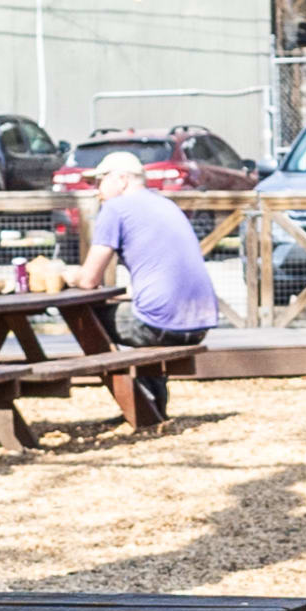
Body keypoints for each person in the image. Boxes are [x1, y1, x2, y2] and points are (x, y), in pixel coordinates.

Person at [68, 149, 226, 424]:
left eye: (99, 181)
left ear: (121, 179)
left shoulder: (115, 209)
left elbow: (89, 279)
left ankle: (137, 403)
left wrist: (67, 274)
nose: (96, 191)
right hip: (200, 323)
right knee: (139, 311)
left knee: (87, 320)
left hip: (162, 325)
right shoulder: (166, 204)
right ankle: (151, 404)